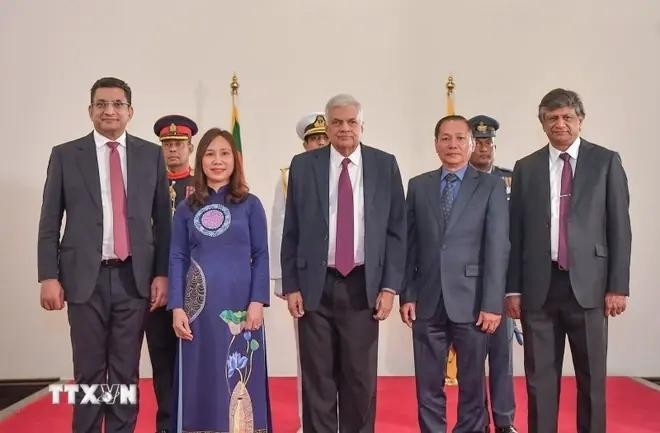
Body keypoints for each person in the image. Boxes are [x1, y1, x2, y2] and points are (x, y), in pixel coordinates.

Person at [38, 77, 171, 433]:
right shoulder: (66, 155)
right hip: (84, 280)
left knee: (125, 370)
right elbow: (50, 220)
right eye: (101, 104)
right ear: (90, 111)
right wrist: (48, 276)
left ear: (130, 111)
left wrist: (162, 273)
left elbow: (164, 220)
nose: (109, 110)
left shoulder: (150, 154)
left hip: (134, 278)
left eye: (117, 104)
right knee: (89, 370)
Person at [505, 88, 631, 433]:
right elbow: (514, 235)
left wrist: (617, 286)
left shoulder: (606, 162)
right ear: (542, 123)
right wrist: (512, 289)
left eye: (567, 117)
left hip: (590, 288)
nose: (560, 124)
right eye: (552, 118)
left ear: (580, 121)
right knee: (539, 380)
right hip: (538, 289)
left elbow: (620, 228)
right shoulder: (526, 167)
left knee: (592, 380)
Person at [281, 94, 406, 433]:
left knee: (359, 380)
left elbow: (397, 231)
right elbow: (290, 230)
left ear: (362, 126)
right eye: (337, 122)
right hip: (314, 288)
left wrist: (390, 286)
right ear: (328, 125)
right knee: (317, 378)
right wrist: (290, 285)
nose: (345, 128)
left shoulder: (384, 164)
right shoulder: (304, 166)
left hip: (363, 286)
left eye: (351, 122)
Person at [400, 115, 509, 433]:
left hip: (474, 303)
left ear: (472, 143)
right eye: (445, 138)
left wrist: (492, 303)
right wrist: (408, 293)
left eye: (460, 138)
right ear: (435, 143)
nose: (453, 145)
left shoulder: (490, 186)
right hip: (428, 302)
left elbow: (497, 247)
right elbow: (410, 245)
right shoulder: (418, 186)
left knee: (473, 385)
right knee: (428, 385)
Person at [168, 128, 271, 433]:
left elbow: (262, 254)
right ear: (200, 161)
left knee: (239, 373)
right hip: (197, 309)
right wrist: (176, 306)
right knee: (201, 373)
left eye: (224, 153)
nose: (217, 160)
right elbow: (177, 257)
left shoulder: (251, 204)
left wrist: (257, 301)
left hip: (241, 308)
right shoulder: (186, 209)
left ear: (235, 160)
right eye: (210, 154)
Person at [269, 112, 328, 433]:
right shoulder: (290, 177)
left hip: (341, 276)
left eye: (323, 138)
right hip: (304, 281)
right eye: (313, 140)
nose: (319, 144)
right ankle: (310, 423)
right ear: (304, 145)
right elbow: (281, 228)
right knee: (309, 358)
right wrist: (282, 279)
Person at [145, 114, 198, 433]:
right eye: (167, 144)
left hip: (195, 286)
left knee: (196, 357)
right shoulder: (148, 186)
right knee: (162, 360)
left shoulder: (201, 187)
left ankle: (197, 420)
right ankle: (167, 424)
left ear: (190, 147)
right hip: (156, 285)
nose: (173, 150)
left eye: (179, 144)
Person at [468, 115, 518, 433]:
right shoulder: (458, 180)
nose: (485, 148)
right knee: (472, 359)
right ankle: (477, 420)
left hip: (501, 282)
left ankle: (504, 421)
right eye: (479, 142)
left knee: (502, 356)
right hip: (467, 283)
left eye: (490, 142)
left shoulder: (512, 180)